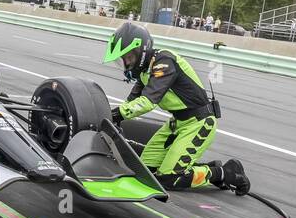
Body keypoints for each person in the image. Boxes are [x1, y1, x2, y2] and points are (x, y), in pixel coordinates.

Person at [104, 23, 249, 194]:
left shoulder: (163, 62)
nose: (126, 64)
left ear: (140, 51)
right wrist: (110, 116)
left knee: (170, 178)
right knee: (146, 171)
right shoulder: (145, 72)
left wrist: (117, 114)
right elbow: (131, 102)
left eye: (128, 58)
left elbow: (147, 102)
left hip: (199, 123)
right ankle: (208, 168)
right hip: (177, 123)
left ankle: (227, 173)